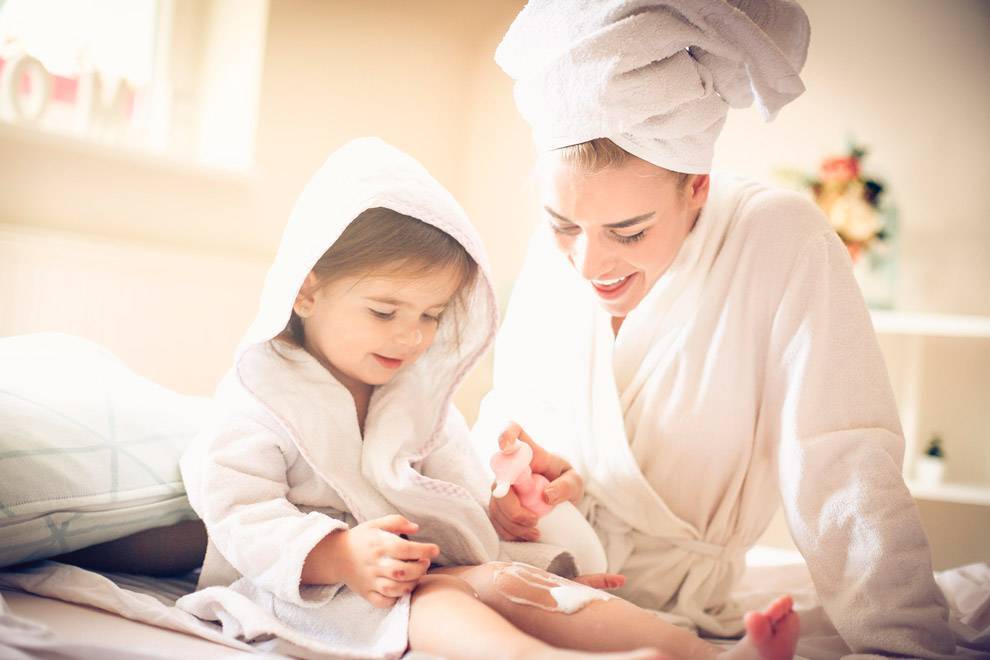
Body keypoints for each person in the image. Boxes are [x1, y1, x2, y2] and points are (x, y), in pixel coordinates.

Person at [174, 137, 801, 660]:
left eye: (431, 315)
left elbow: (455, 496)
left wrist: (502, 515)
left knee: (516, 583)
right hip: (314, 590)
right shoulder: (260, 396)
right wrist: (336, 555)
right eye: (385, 311)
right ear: (306, 290)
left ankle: (707, 655)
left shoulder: (415, 400)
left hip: (424, 572)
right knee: (442, 602)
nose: (412, 337)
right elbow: (238, 511)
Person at [476, 1, 956, 658]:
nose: (589, 264)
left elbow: (841, 463)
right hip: (547, 586)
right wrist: (511, 490)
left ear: (697, 187)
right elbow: (506, 415)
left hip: (687, 611)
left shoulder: (777, 239)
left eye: (629, 232)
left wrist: (903, 643)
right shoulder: (551, 258)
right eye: (563, 225)